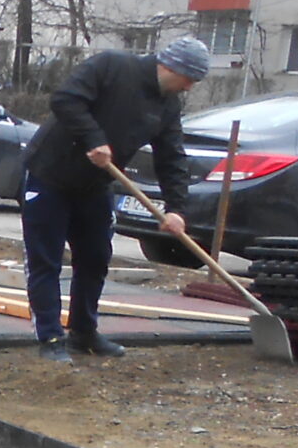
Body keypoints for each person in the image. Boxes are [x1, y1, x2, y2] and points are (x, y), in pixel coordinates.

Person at [25, 35, 203, 358]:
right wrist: (93, 138)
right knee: (46, 259)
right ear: (171, 66)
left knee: (95, 258)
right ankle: (50, 338)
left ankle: (83, 332)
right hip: (50, 175)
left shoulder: (167, 105)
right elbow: (66, 99)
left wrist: (176, 209)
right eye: (189, 78)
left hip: (96, 185)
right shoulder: (111, 66)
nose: (189, 87)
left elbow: (172, 157)